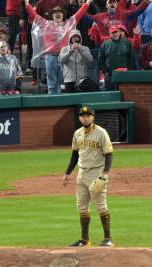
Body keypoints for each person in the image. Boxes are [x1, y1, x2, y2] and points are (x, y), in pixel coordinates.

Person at [62, 105, 114, 248]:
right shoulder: (77, 134)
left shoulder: (101, 133)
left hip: (97, 172)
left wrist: (105, 173)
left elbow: (109, 154)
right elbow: (74, 154)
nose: (85, 118)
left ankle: (108, 238)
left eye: (88, 116)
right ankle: (84, 240)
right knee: (82, 206)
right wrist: (67, 173)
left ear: (92, 117)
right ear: (79, 118)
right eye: (83, 116)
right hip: (82, 173)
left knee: (100, 205)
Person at [98, 25, 133, 90]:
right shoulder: (105, 44)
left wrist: (129, 70)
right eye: (112, 33)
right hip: (110, 75)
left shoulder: (127, 42)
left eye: (116, 32)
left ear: (119, 32)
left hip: (124, 74)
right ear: (110, 34)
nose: (115, 34)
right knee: (110, 94)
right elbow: (100, 60)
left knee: (126, 93)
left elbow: (131, 58)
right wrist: (105, 72)